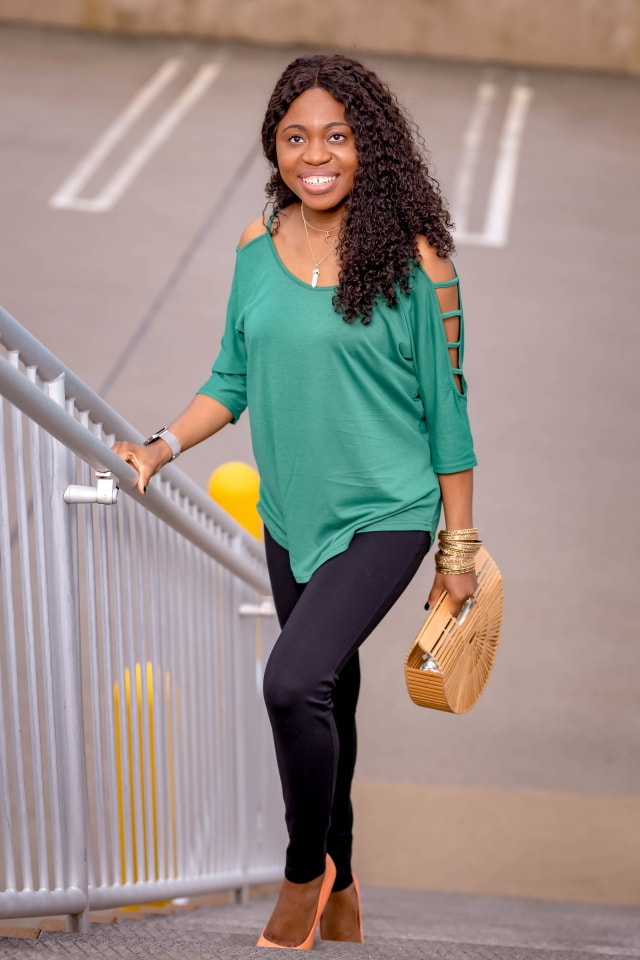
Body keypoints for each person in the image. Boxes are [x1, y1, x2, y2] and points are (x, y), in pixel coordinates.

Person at [113, 53, 478, 950]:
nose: (317, 155)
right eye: (295, 138)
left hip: (385, 516)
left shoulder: (418, 264)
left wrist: (459, 550)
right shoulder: (255, 247)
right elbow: (231, 377)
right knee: (331, 699)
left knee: (290, 682)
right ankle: (346, 882)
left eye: (339, 136)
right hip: (293, 519)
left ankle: (302, 873)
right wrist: (160, 446)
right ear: (275, 150)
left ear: (371, 147)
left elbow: (449, 409)